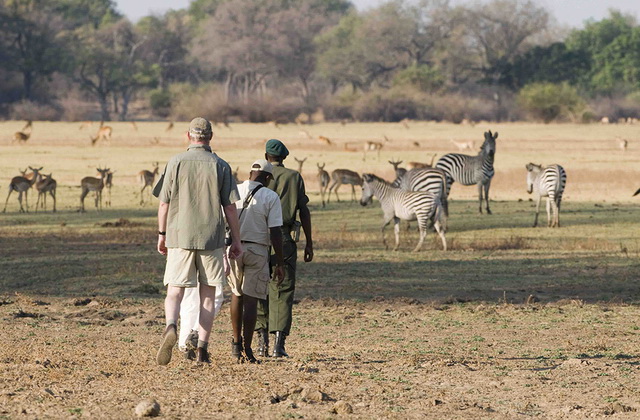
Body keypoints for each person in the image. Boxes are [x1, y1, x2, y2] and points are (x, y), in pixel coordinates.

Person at [155, 117, 241, 365]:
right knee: (207, 294)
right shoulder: (221, 165)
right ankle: (202, 348)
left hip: (179, 236)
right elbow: (230, 208)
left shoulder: (176, 162)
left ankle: (171, 326)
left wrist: (162, 235)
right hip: (211, 238)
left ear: (188, 136)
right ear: (210, 137)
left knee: (174, 291)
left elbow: (164, 203)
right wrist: (236, 240)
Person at [255, 139, 313, 358]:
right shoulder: (294, 177)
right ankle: (279, 344)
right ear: (284, 157)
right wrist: (309, 242)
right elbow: (304, 211)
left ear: (266, 155)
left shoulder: (258, 176)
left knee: (258, 287)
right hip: (285, 237)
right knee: (283, 289)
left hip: (259, 237)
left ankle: (261, 342)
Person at [228, 159, 285, 363]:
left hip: (234, 248)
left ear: (251, 173)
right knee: (251, 299)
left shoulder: (234, 190)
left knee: (236, 294)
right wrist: (279, 262)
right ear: (267, 177)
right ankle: (248, 348)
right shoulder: (270, 196)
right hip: (258, 249)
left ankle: (236, 344)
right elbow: (275, 231)